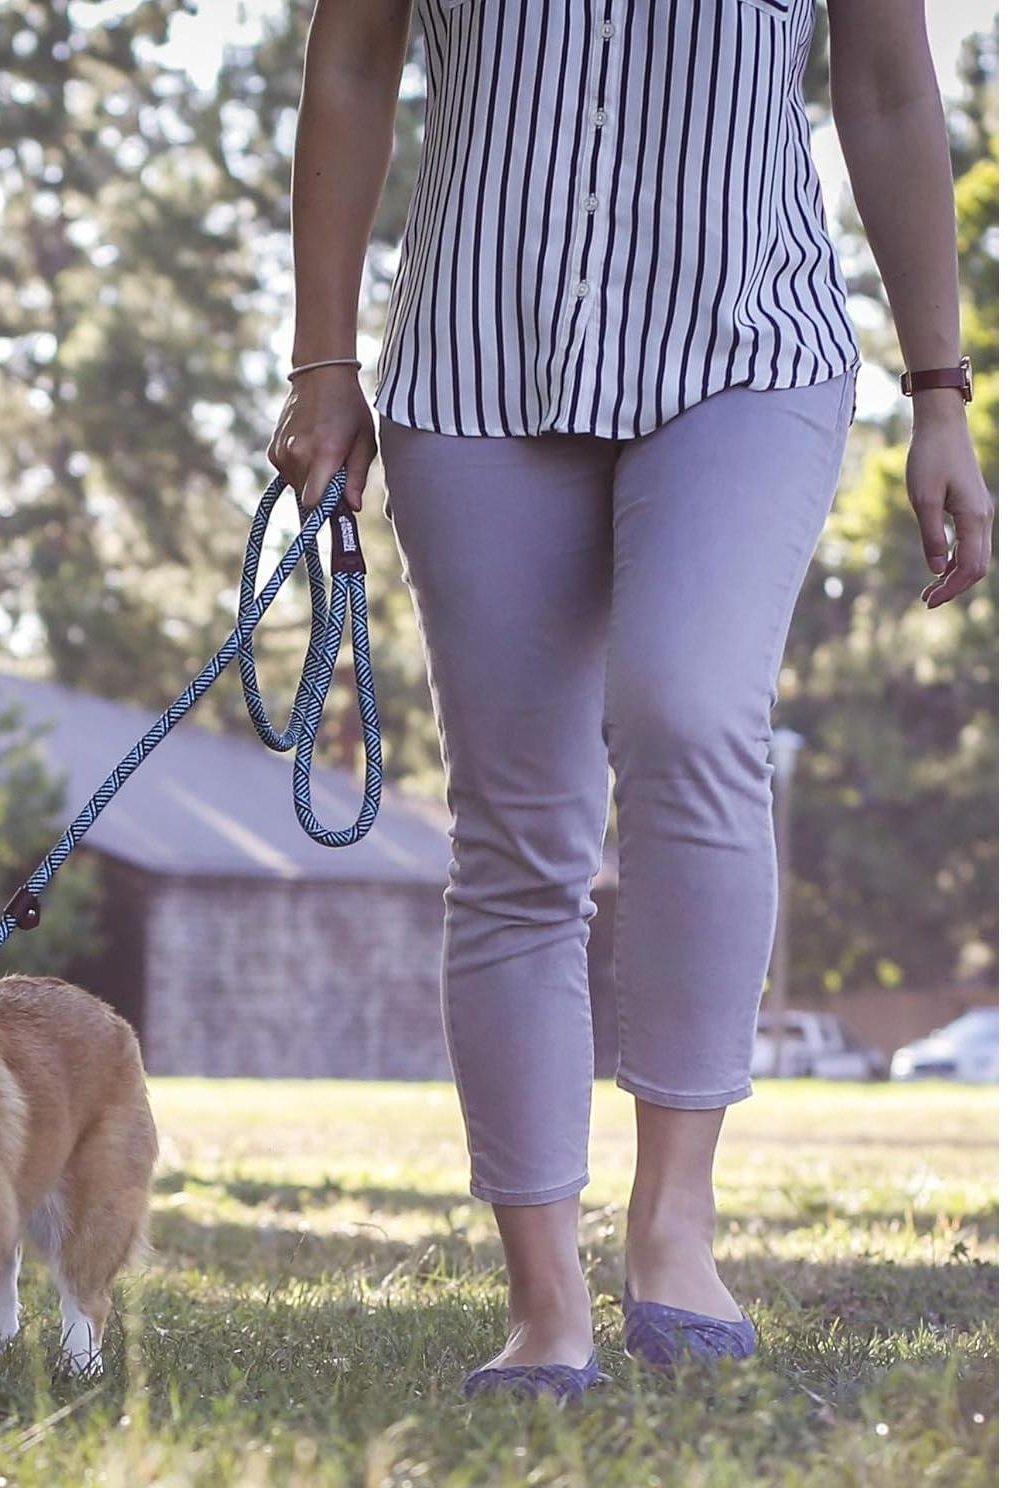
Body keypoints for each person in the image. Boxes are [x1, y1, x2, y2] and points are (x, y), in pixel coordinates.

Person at [269, 0, 993, 1399]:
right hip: (479, 353)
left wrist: (941, 394)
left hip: (745, 345)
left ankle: (674, 1221)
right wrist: (323, 364)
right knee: (519, 833)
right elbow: (350, 59)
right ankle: (545, 1302)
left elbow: (893, 87)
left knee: (688, 711)